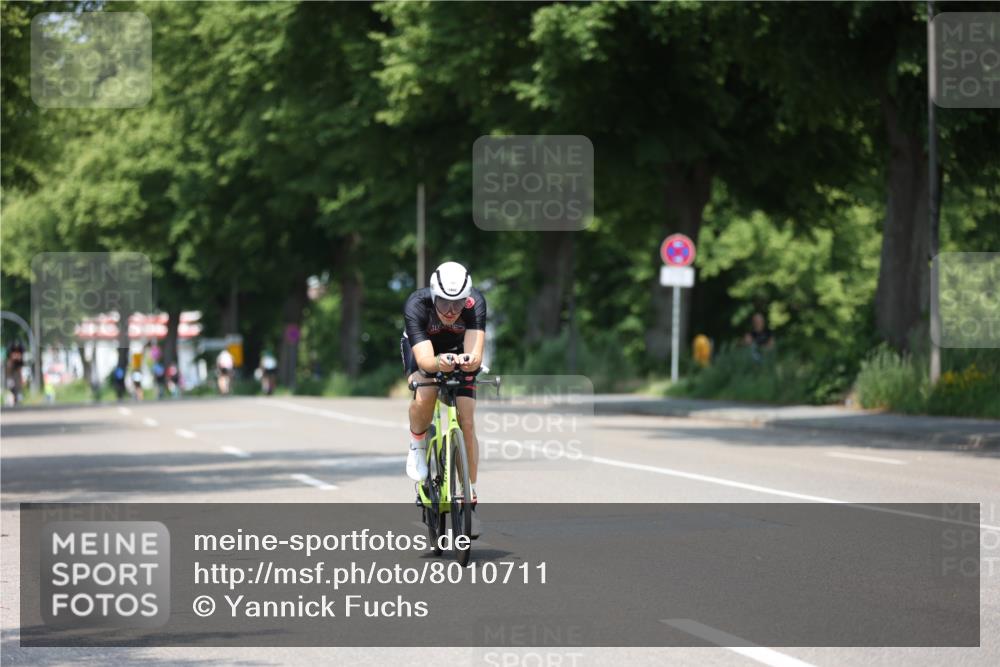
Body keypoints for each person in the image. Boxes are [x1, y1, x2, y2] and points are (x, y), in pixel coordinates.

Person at [400, 261, 486, 537]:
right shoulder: (417, 304)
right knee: (425, 392)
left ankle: (469, 499)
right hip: (425, 347)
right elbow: (425, 360)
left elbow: (475, 355)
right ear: (433, 296)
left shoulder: (475, 305)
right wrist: (438, 362)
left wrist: (469, 361)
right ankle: (417, 445)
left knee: (468, 421)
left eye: (458, 304)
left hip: (458, 349)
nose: (451, 311)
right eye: (444, 303)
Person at [5, 341, 25, 406]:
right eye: (15, 353)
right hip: (11, 380)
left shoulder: (19, 364)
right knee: (11, 393)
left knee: (18, 394)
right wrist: (9, 380)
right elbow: (8, 373)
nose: (17, 355)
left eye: (18, 353)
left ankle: (17, 401)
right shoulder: (9, 363)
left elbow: (20, 372)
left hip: (17, 382)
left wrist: (21, 380)